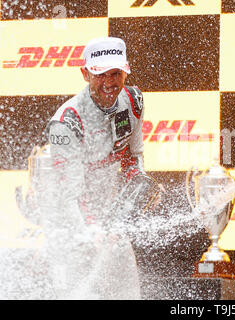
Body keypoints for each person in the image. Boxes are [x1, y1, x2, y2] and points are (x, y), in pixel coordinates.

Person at [43, 37, 149, 299]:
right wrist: (91, 231)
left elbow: (133, 157)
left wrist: (138, 186)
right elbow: (69, 194)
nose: (110, 83)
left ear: (125, 71)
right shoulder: (66, 122)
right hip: (70, 225)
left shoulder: (134, 100)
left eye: (116, 74)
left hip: (110, 221)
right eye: (101, 74)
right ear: (85, 73)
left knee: (128, 294)